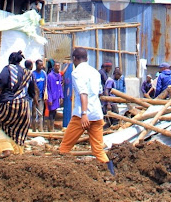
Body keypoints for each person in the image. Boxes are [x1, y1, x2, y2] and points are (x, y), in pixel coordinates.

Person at [59, 47, 115, 175]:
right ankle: (111, 175)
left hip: (81, 116)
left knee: (65, 147)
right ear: (87, 58)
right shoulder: (95, 72)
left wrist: (84, 114)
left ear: (74, 59)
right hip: (96, 114)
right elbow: (99, 92)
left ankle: (63, 175)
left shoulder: (77, 73)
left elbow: (83, 93)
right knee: (98, 150)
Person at [0, 51, 35, 157]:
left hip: (9, 104)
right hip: (24, 107)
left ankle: (7, 149)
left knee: (0, 125)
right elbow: (32, 92)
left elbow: (1, 83)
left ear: (10, 60)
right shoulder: (28, 73)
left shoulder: (8, 69)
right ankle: (17, 152)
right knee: (19, 129)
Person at [45, 60, 64, 132]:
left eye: (58, 66)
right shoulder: (50, 76)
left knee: (54, 112)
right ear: (53, 66)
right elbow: (48, 88)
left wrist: (61, 97)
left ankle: (52, 127)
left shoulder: (59, 75)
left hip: (57, 97)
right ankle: (50, 127)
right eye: (56, 66)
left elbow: (60, 86)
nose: (57, 67)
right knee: (51, 112)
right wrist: (49, 98)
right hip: (52, 97)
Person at [32, 59, 47, 131]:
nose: (41, 66)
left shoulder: (43, 73)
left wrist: (44, 95)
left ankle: (40, 129)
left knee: (40, 114)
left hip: (41, 97)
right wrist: (35, 97)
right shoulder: (33, 74)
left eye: (42, 65)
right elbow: (33, 87)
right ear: (36, 65)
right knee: (34, 114)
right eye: (40, 65)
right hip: (34, 97)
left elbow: (45, 85)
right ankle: (34, 129)